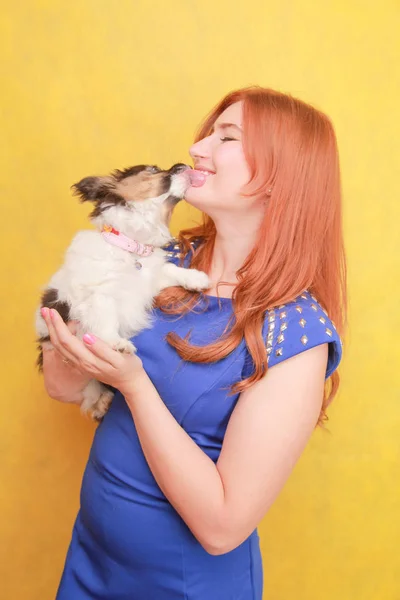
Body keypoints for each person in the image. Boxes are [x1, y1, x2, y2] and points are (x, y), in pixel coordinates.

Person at [41, 86, 347, 600]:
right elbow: (61, 386)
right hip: (90, 561)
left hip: (181, 587)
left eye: (226, 137)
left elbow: (223, 527)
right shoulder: (165, 259)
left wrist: (134, 386)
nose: (198, 147)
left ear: (280, 177)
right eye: (208, 132)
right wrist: (80, 295)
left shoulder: (296, 334)